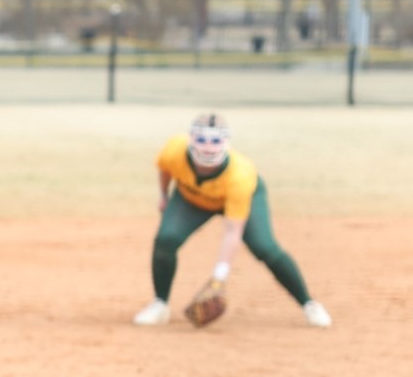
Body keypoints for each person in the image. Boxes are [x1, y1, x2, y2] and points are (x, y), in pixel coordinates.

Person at [133, 113, 332, 328]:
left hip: (244, 196)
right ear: (191, 139)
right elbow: (166, 169)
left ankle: (309, 304)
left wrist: (219, 278)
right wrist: (163, 195)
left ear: (226, 142)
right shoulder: (174, 150)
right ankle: (160, 304)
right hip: (192, 197)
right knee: (166, 239)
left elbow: (232, 232)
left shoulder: (240, 175)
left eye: (216, 141)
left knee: (264, 247)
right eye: (201, 140)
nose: (208, 148)